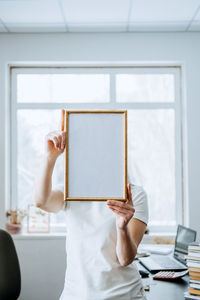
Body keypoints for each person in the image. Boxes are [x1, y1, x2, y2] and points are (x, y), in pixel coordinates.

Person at [33, 110, 149, 300]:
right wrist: (49, 157)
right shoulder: (70, 191)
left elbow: (125, 259)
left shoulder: (135, 195)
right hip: (76, 294)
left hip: (123, 295)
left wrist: (122, 227)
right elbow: (41, 201)